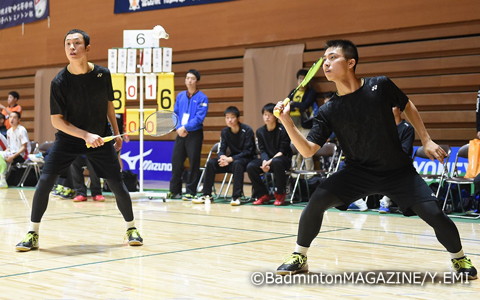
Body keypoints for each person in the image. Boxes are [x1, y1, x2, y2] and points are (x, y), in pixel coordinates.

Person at [274, 39, 477, 279]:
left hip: (397, 172)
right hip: (357, 172)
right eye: (324, 60)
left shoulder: (379, 86)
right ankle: (300, 256)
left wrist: (426, 139)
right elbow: (308, 150)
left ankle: (460, 258)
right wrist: (287, 122)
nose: (325, 64)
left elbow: (407, 105)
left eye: (332, 58)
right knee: (317, 201)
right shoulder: (328, 110)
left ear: (351, 62)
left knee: (433, 213)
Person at [15, 29, 143, 252]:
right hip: (69, 138)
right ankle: (33, 232)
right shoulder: (59, 82)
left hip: (100, 136)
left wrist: (117, 131)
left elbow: (109, 105)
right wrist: (84, 135)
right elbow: (57, 121)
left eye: (77, 43)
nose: (72, 48)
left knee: (116, 183)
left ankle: (131, 228)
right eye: (68, 44)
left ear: (87, 48)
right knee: (45, 181)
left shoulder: (103, 74)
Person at [193, 106, 255, 206]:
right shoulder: (225, 132)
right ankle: (206, 195)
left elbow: (248, 151)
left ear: (238, 118)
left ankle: (236, 197)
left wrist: (230, 159)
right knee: (211, 163)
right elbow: (221, 149)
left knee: (237, 164)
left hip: (245, 159)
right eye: (227, 117)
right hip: (230, 160)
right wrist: (222, 157)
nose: (229, 120)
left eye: (232, 117)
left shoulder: (247, 130)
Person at [169, 69, 208, 201]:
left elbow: (199, 117)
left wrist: (186, 127)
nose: (189, 80)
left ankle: (190, 191)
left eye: (192, 78)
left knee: (193, 163)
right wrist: (179, 127)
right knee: (176, 162)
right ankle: (174, 191)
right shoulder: (180, 96)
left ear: (197, 81)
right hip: (180, 133)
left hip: (194, 134)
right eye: (187, 78)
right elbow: (175, 113)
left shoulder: (202, 98)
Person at [247, 103, 292, 206]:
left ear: (275, 116)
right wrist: (264, 162)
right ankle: (263, 194)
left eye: (269, 114)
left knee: (276, 162)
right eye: (264, 114)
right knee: (251, 166)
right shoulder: (260, 131)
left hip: (283, 160)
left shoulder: (283, 130)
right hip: (267, 160)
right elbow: (262, 150)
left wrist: (269, 162)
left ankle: (280, 194)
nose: (266, 117)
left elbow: (282, 151)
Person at [289, 69, 317, 171]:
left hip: (305, 125)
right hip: (293, 124)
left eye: (303, 79)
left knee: (306, 151)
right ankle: (296, 177)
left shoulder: (311, 92)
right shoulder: (294, 91)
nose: (301, 81)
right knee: (294, 153)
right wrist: (295, 105)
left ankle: (310, 176)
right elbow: (287, 104)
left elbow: (305, 105)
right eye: (299, 79)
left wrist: (294, 104)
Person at [0, 111, 29, 188]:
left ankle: (2, 179)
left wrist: (12, 157)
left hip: (22, 155)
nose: (12, 119)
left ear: (19, 120)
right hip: (12, 153)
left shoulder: (22, 130)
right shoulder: (9, 131)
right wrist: (4, 153)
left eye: (14, 117)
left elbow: (24, 147)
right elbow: (9, 147)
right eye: (10, 117)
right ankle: (2, 178)